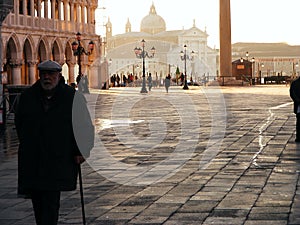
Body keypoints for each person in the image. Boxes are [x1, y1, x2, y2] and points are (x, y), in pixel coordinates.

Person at [15, 60, 94, 225]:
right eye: (43, 74)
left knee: (51, 199)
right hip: (34, 157)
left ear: (58, 75)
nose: (47, 78)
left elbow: (84, 127)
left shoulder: (71, 97)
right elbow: (20, 124)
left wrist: (81, 150)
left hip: (58, 156)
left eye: (51, 74)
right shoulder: (28, 97)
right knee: (37, 199)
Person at [290, 77, 300, 142]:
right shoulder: (295, 83)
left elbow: (292, 93)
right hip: (299, 104)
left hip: (298, 104)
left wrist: (297, 100)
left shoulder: (294, 82)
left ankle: (298, 136)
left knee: (299, 121)